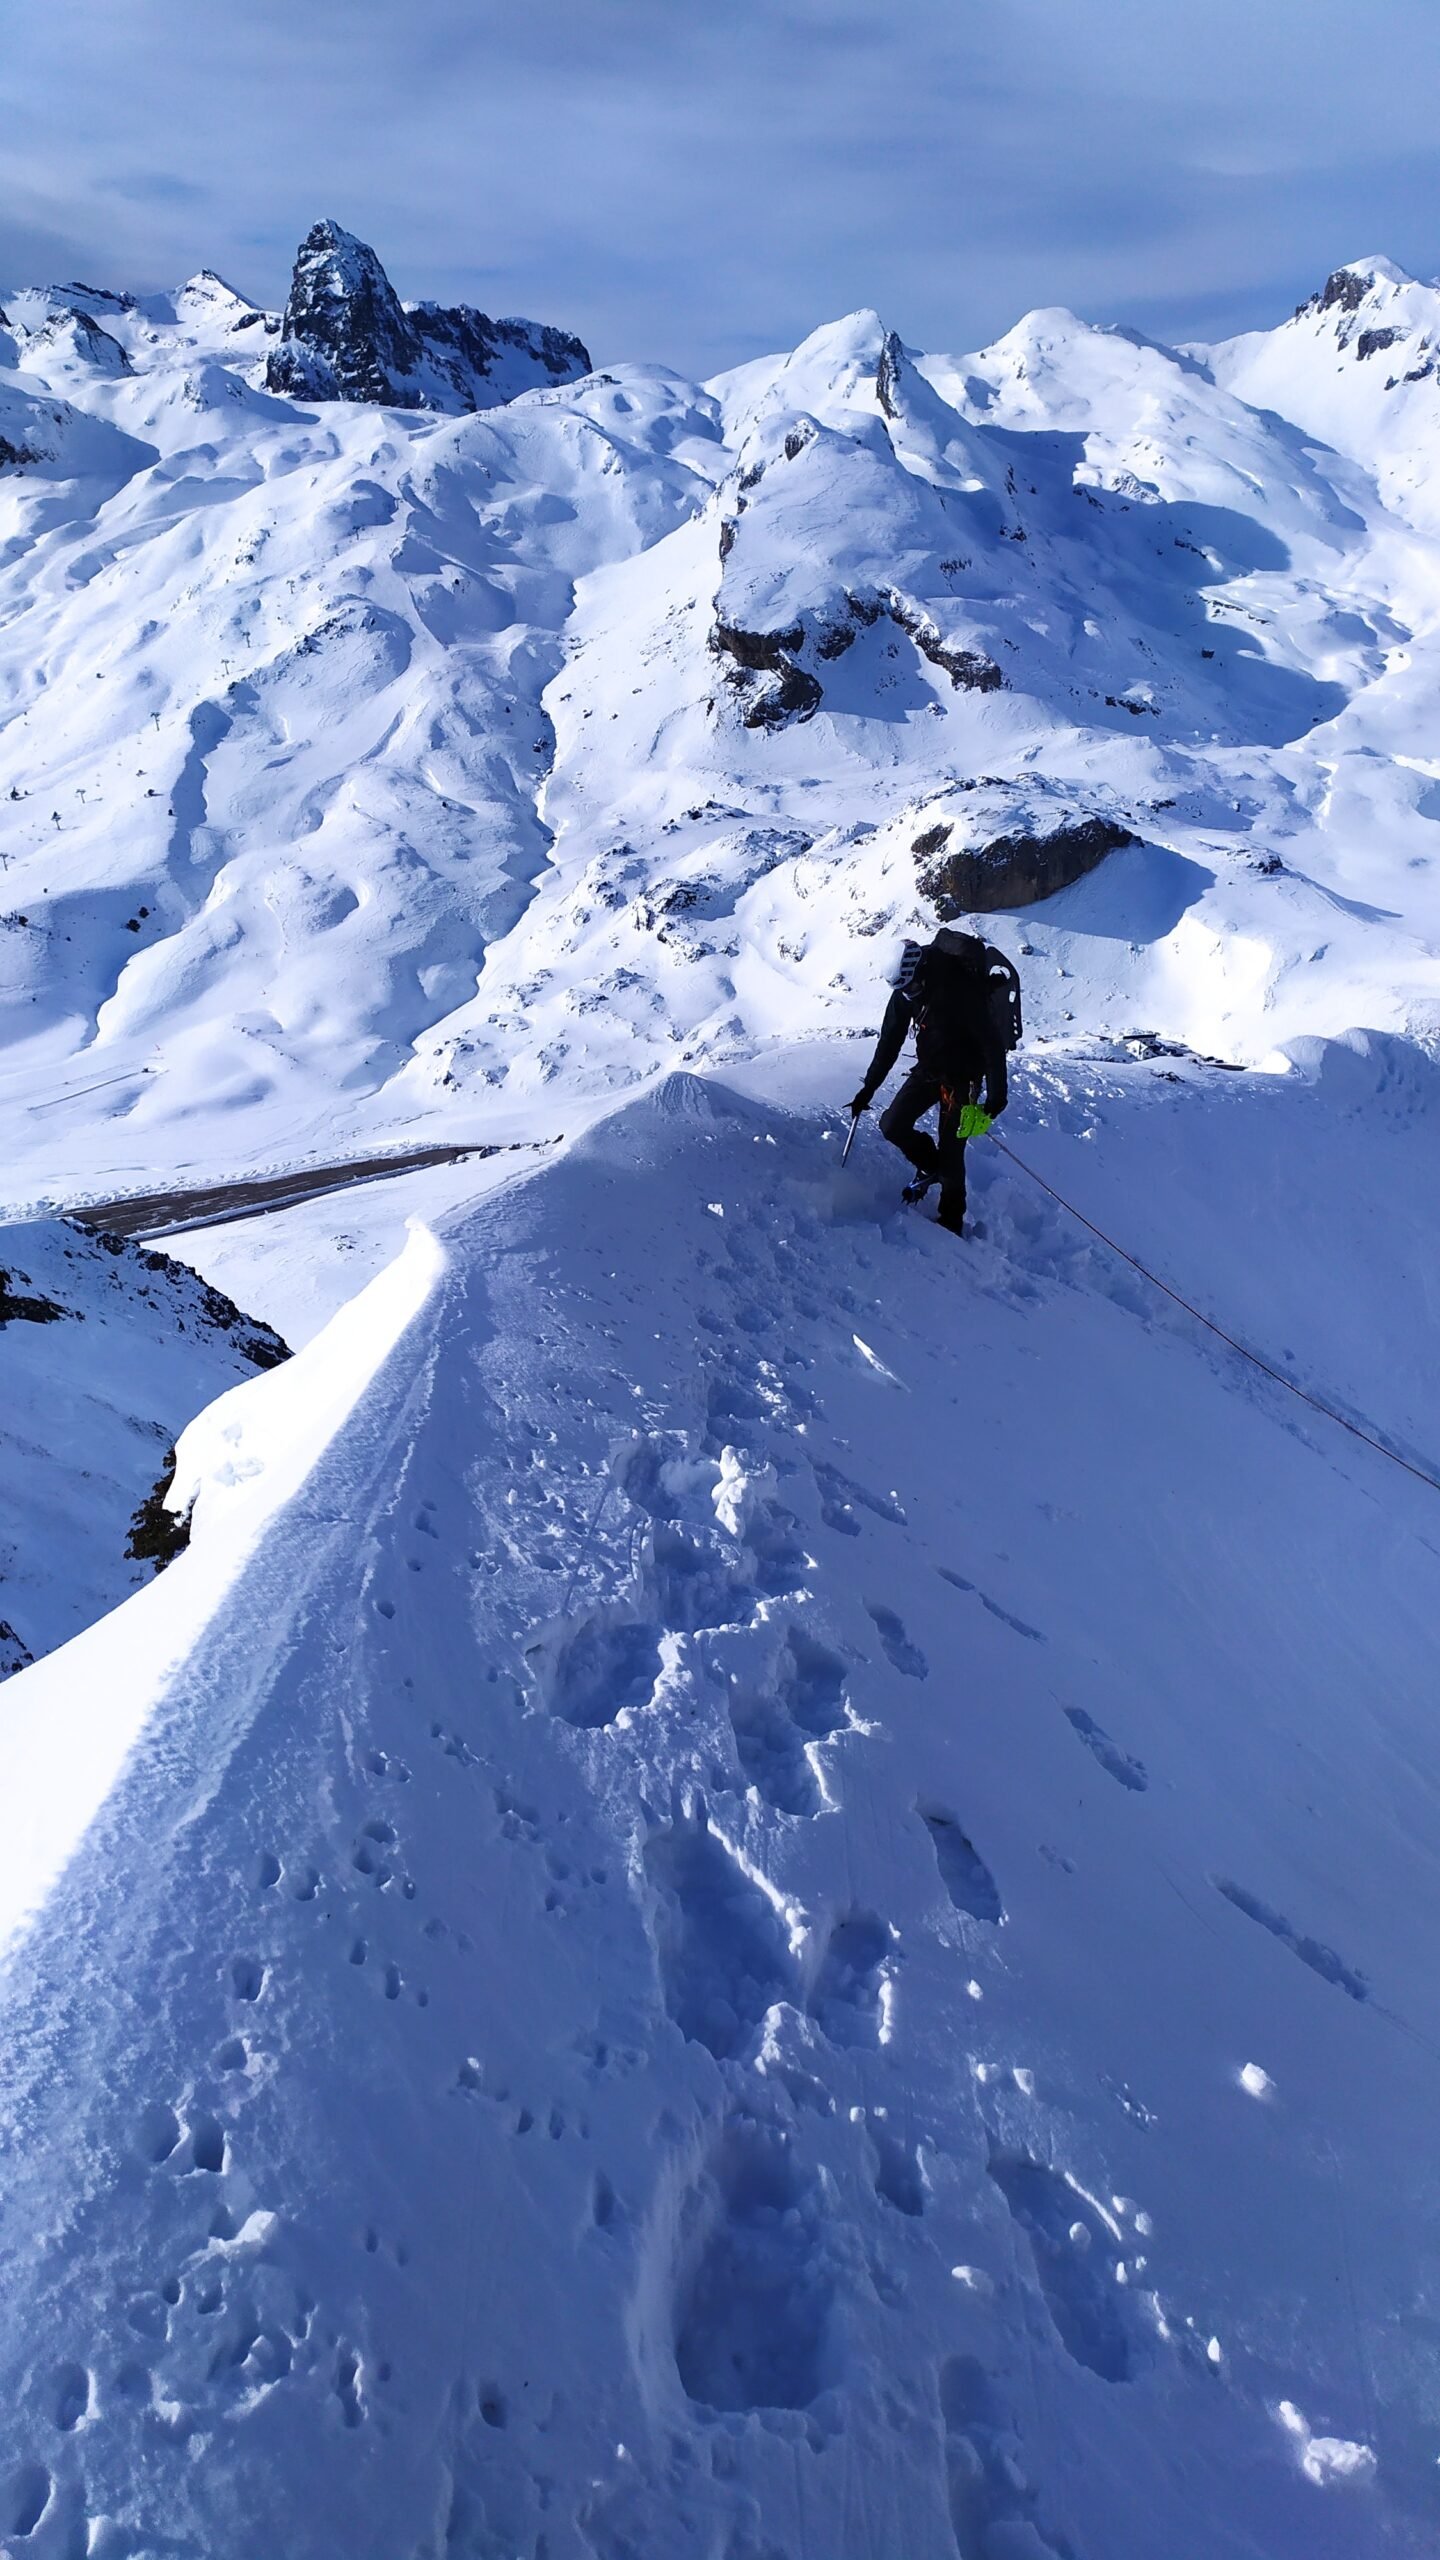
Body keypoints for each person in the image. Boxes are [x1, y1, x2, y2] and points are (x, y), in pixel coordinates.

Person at [848, 927, 1018, 1235]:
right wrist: (868, 1088)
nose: (909, 992)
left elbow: (991, 1043)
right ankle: (929, 1165)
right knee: (892, 1125)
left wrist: (996, 1096)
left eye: (911, 986)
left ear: (920, 968)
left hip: (963, 1079)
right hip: (929, 1069)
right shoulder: (903, 991)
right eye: (902, 989)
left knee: (952, 1153)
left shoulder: (960, 989)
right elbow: (889, 1041)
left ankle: (951, 1222)